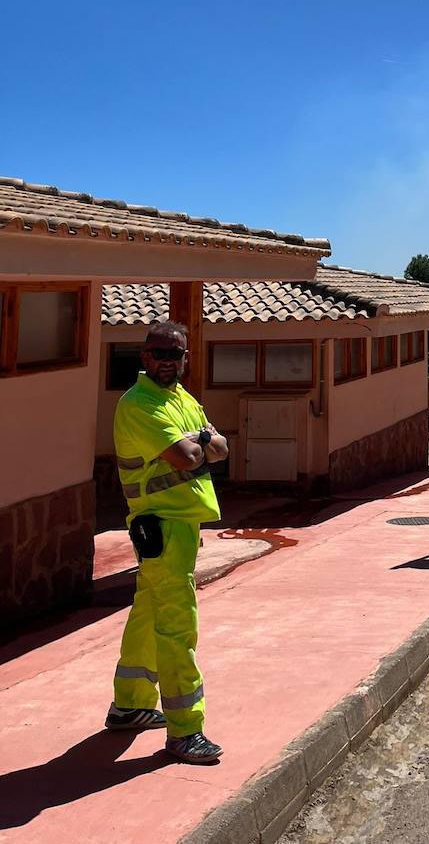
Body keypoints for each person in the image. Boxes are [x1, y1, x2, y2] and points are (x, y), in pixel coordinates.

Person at [105, 319, 229, 765]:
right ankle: (185, 731)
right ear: (145, 357)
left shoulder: (181, 398)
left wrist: (201, 440)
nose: (168, 361)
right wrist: (201, 440)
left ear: (184, 358)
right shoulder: (139, 404)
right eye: (160, 353)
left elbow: (222, 447)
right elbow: (194, 454)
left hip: (180, 525)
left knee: (147, 612)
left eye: (175, 355)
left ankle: (130, 705)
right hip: (160, 525)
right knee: (177, 626)